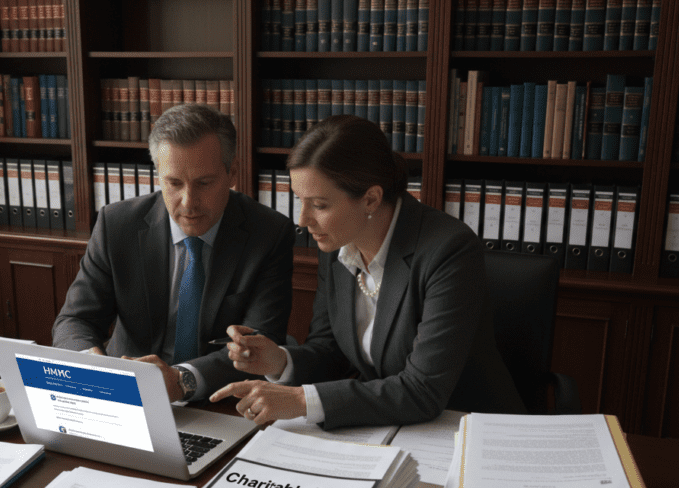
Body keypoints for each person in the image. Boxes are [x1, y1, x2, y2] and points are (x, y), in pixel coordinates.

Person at [211, 115, 526, 429]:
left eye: (319, 205)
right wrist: (280, 361)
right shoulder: (338, 245)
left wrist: (300, 401)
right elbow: (330, 351)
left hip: (464, 427)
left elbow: (423, 391)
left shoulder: (449, 250)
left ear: (371, 199)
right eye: (299, 201)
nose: (303, 220)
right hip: (386, 426)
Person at [52, 103, 295, 403]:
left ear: (232, 174)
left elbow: (261, 344)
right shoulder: (117, 225)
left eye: (204, 183)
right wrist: (95, 366)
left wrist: (183, 380)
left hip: (220, 402)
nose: (189, 202)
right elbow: (74, 321)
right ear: (158, 176)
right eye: (174, 183)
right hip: (128, 393)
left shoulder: (269, 233)